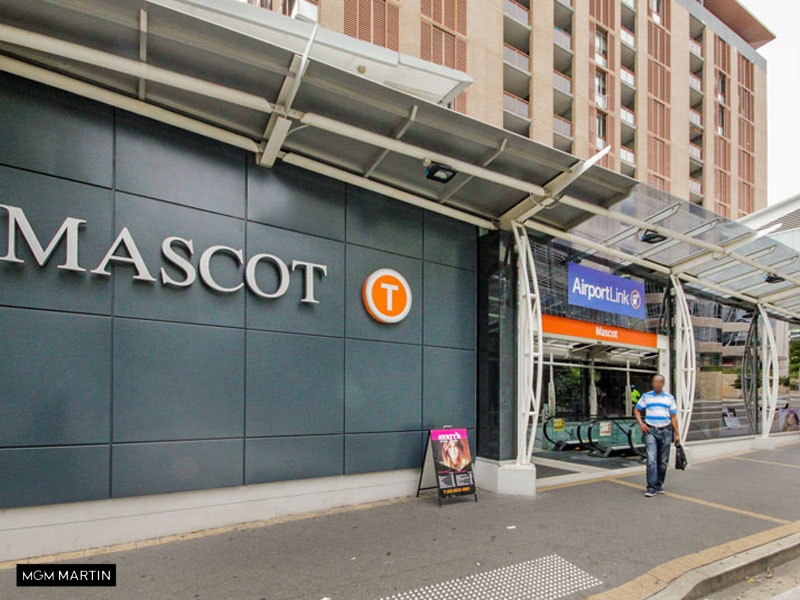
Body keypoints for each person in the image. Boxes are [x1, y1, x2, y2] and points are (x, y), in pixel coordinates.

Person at [634, 374, 680, 497]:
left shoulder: (669, 398)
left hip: (666, 431)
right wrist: (641, 423)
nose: (656, 384)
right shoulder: (646, 396)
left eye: (658, 382)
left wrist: (677, 434)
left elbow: (673, 417)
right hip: (651, 431)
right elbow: (637, 410)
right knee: (651, 459)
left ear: (663, 384)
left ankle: (659, 484)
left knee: (663, 460)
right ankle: (651, 487)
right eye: (654, 382)